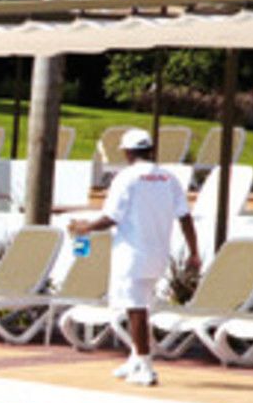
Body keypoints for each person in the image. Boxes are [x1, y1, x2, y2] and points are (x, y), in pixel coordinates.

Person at [68, 127, 197, 387]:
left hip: (132, 255)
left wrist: (85, 227)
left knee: (137, 310)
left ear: (127, 152)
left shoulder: (126, 178)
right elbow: (185, 216)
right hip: (159, 254)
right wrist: (194, 251)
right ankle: (135, 358)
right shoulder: (168, 177)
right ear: (149, 150)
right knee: (139, 306)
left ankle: (147, 367)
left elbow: (111, 218)